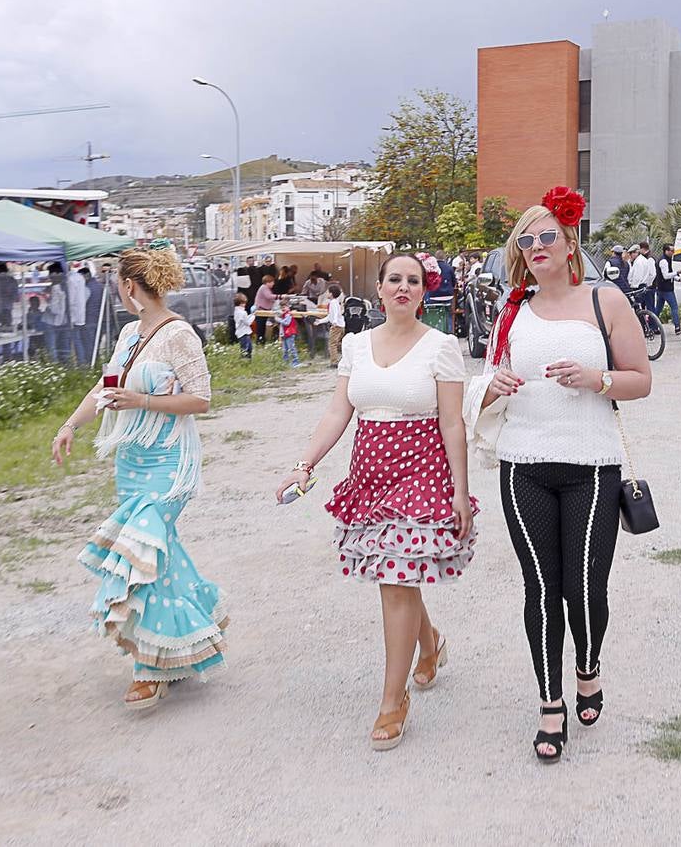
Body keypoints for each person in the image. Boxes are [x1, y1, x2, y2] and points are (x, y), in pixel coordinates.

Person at [463, 186, 652, 764]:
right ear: (519, 254)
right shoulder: (512, 311)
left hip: (592, 465)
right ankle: (550, 704)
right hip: (524, 465)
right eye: (527, 239)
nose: (538, 245)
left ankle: (588, 669)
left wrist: (596, 379)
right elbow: (490, 375)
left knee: (586, 589)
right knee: (541, 590)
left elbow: (640, 380)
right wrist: (490, 385)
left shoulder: (607, 300)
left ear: (570, 244)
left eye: (548, 235)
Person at [276, 253, 476, 751]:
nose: (403, 287)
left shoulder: (441, 347)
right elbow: (337, 412)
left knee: (394, 578)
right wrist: (305, 464)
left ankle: (393, 700)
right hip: (370, 475)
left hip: (421, 472)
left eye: (413, 280)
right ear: (380, 288)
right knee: (398, 578)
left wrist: (459, 490)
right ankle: (430, 645)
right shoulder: (357, 346)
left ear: (423, 291)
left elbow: (453, 423)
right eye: (394, 279)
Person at [53, 246, 225, 710]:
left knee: (141, 551)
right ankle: (192, 627)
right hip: (130, 461)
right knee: (157, 556)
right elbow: (106, 389)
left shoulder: (180, 335)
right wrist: (70, 424)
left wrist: (143, 402)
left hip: (168, 463)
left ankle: (149, 667)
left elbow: (201, 400)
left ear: (130, 286)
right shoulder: (130, 333)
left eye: (117, 284)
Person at [42, 265, 70, 362]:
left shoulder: (56, 288)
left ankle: (54, 366)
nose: (50, 276)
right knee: (62, 347)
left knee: (53, 347)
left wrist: (49, 302)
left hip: (53, 321)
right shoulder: (65, 286)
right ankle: (63, 367)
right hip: (62, 321)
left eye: (51, 274)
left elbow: (54, 309)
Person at [654, 243, 681, 331]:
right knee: (674, 307)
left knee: (658, 309)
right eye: (672, 251)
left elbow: (670, 272)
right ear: (666, 251)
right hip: (666, 289)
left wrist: (678, 279)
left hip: (661, 288)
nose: (673, 252)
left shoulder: (667, 259)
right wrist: (677, 272)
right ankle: (677, 327)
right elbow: (666, 276)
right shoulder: (663, 261)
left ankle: (653, 326)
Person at [68, 262, 89, 364]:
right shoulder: (79, 278)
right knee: (78, 340)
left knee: (75, 341)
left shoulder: (71, 280)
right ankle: (82, 362)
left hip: (73, 316)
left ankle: (80, 363)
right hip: (80, 315)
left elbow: (70, 300)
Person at [628, 242, 657, 314]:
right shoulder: (642, 259)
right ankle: (649, 324)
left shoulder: (639, 262)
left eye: (631, 253)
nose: (630, 256)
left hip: (639, 286)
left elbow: (637, 277)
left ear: (636, 253)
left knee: (641, 308)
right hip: (644, 285)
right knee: (647, 307)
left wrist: (632, 286)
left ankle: (649, 324)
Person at [322, 283, 345, 367]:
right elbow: (330, 316)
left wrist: (334, 321)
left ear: (331, 294)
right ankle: (343, 359)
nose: (326, 293)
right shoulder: (336, 302)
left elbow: (334, 314)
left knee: (332, 344)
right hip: (341, 325)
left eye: (327, 292)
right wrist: (320, 321)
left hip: (336, 326)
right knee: (339, 343)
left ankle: (334, 362)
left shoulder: (333, 303)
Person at [253, 274, 277, 343]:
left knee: (262, 326)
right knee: (260, 327)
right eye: (272, 282)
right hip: (261, 310)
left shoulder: (267, 288)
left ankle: (261, 340)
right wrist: (280, 296)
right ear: (268, 282)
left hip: (264, 310)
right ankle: (260, 341)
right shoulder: (264, 288)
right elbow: (269, 296)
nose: (273, 284)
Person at [279, 303, 301, 367]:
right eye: (282, 307)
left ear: (288, 307)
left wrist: (279, 320)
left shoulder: (289, 315)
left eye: (284, 307)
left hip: (290, 333)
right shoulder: (283, 315)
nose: (283, 309)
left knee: (291, 348)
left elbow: (287, 323)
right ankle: (285, 362)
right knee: (284, 349)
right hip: (285, 334)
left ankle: (296, 361)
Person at [233, 293, 254, 359]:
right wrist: (254, 316)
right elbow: (248, 322)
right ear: (241, 303)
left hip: (241, 332)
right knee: (246, 348)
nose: (245, 304)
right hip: (244, 333)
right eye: (244, 303)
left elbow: (245, 319)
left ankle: (246, 360)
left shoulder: (237, 311)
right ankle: (244, 361)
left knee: (247, 347)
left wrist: (251, 315)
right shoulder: (242, 312)